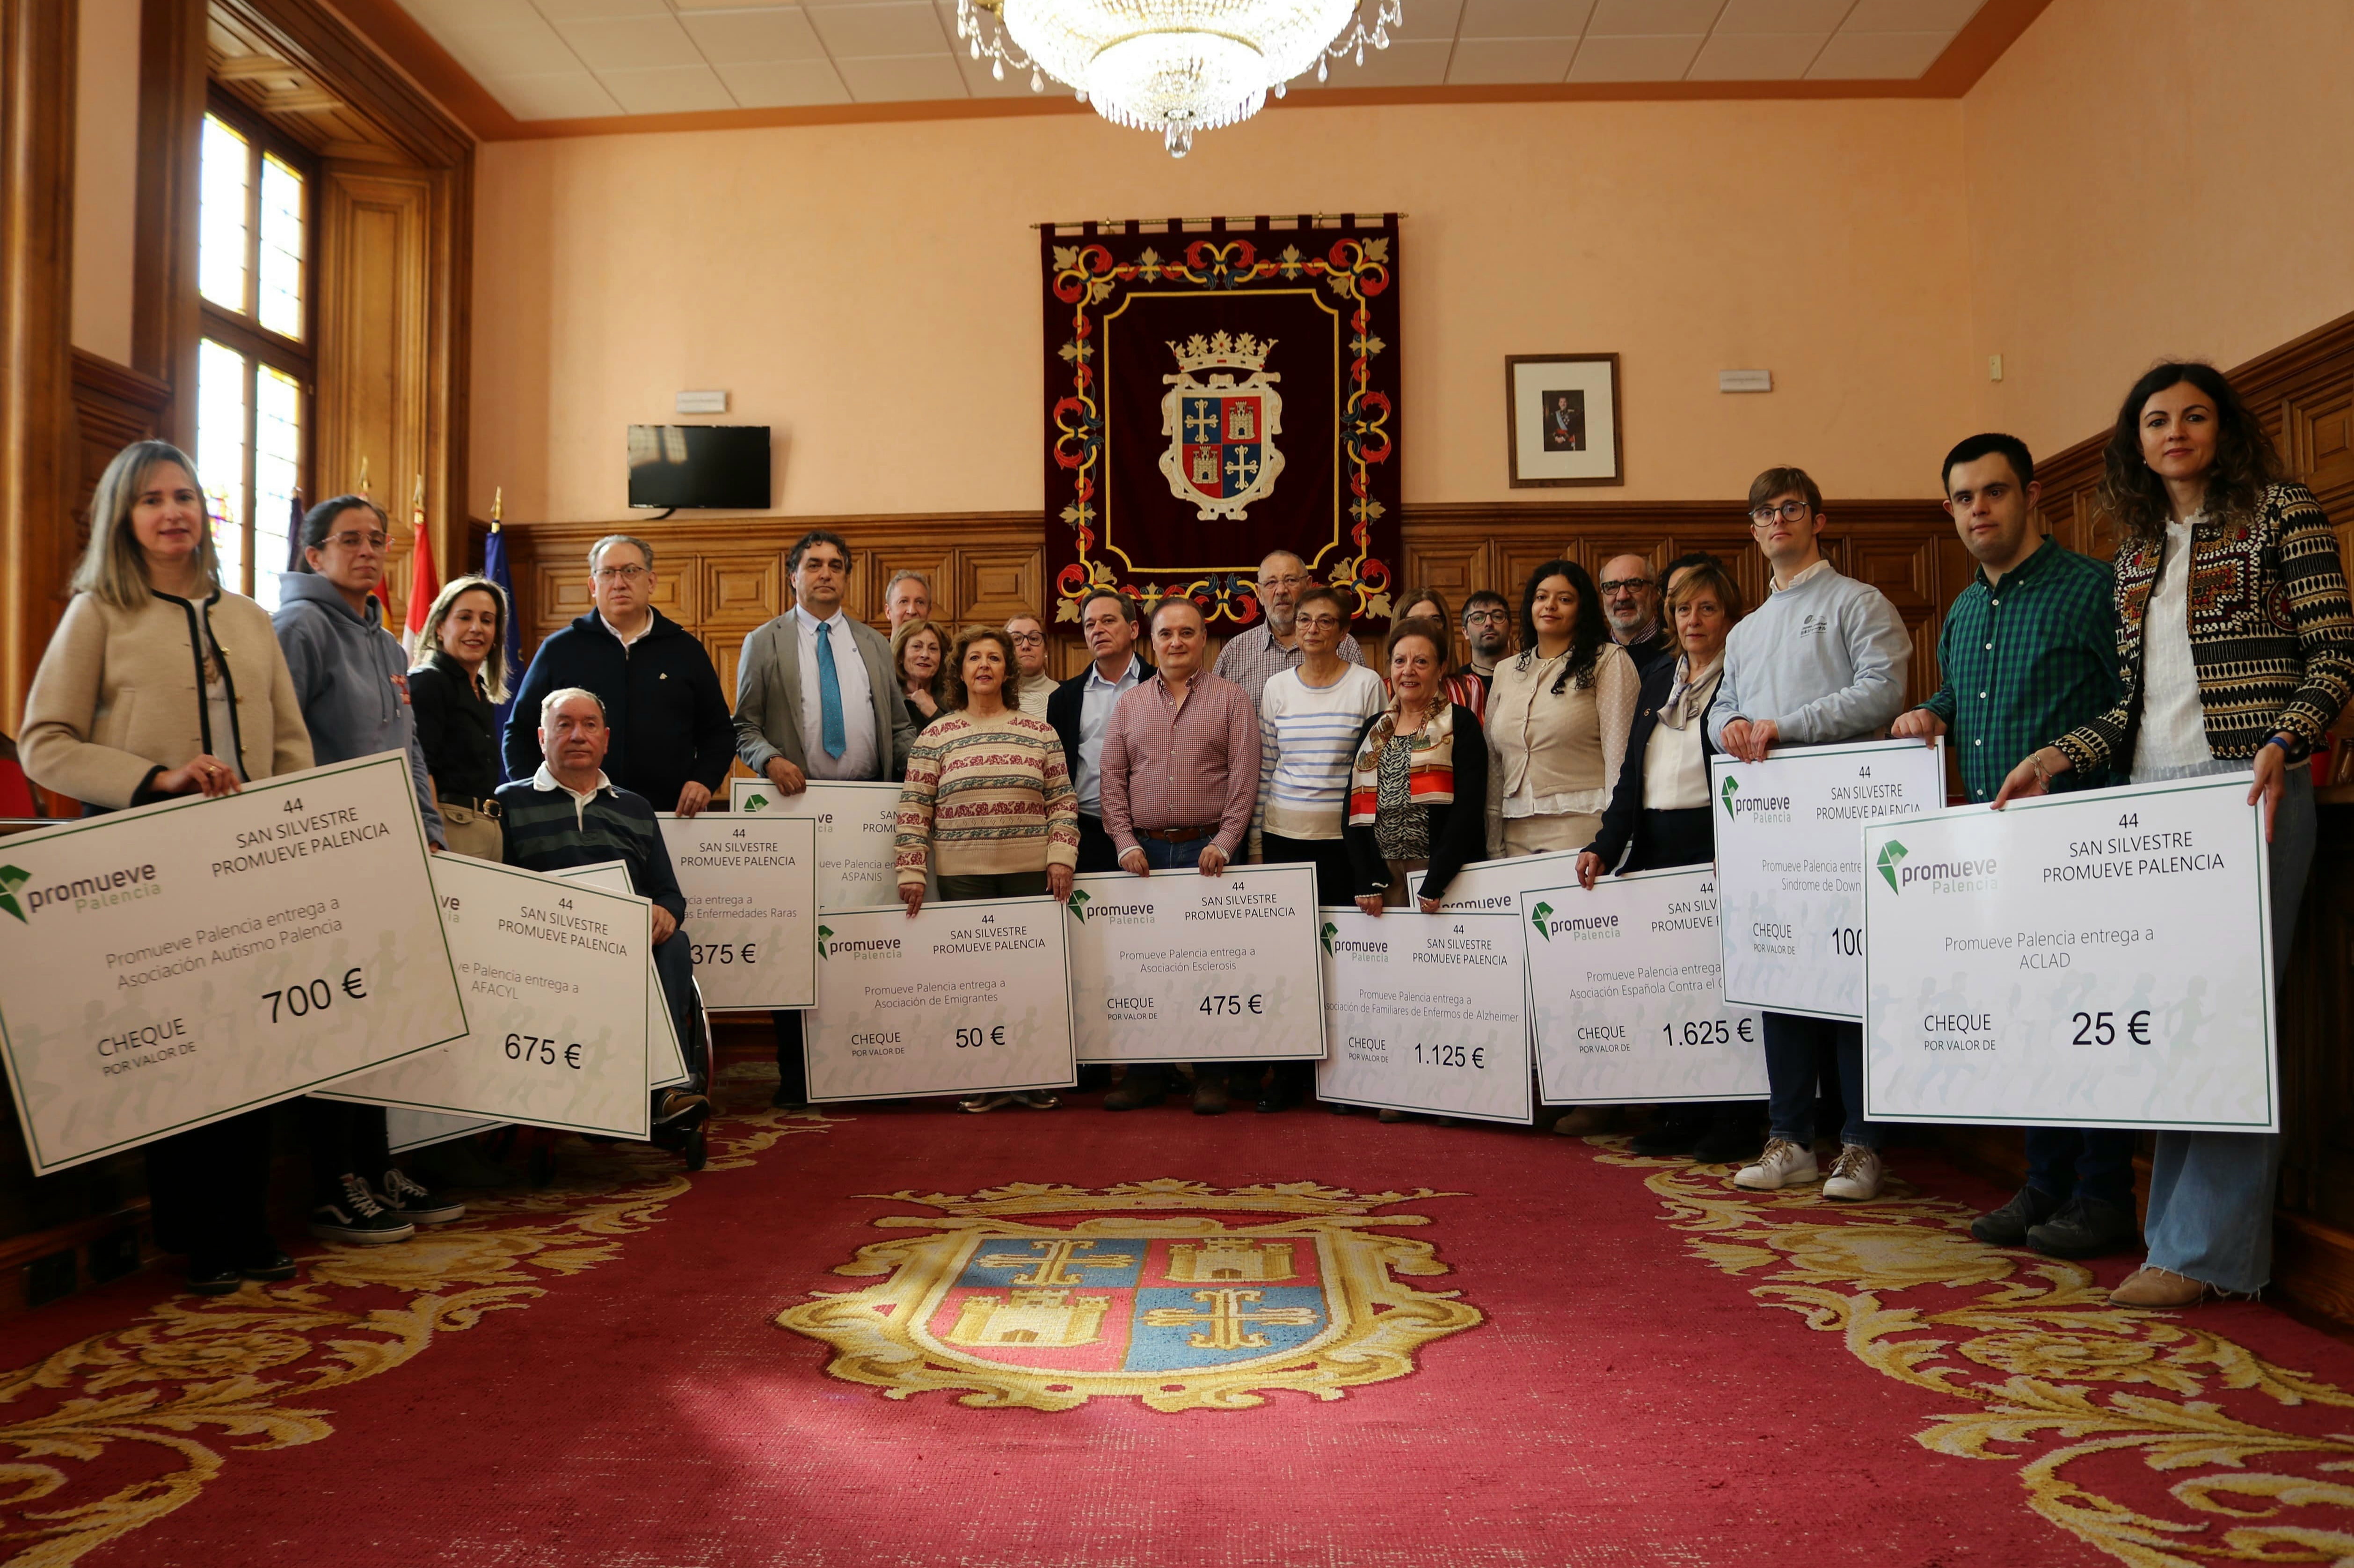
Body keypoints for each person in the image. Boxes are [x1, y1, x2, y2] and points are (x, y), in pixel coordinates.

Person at [1992, 364, 2353, 1307]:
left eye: (2193, 415)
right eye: (2156, 419)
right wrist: (2055, 756)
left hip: (2249, 789)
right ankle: (2173, 1236)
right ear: (2135, 441)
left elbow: (2335, 648)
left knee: (2232, 1024)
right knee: (2180, 1027)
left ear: (2221, 427)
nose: (2175, 431)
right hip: (2155, 800)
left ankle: (2204, 1253)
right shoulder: (2138, 547)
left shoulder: (2280, 510)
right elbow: (2130, 706)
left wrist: (2288, 736)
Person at [22, 440, 313, 1294]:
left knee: (254, 1041)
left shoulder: (251, 618)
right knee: (186, 1049)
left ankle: (250, 1223)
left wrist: (292, 827)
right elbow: (45, 744)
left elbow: (292, 744)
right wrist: (156, 779)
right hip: (151, 864)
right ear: (124, 515)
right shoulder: (97, 614)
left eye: (184, 495)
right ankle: (200, 1236)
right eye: (151, 499)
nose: (171, 511)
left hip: (255, 864)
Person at [1885, 435, 2128, 1257]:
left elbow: (2138, 702)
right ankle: (2046, 1181)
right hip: (1994, 852)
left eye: (1993, 492)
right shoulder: (1960, 610)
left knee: (2081, 1016)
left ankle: (2104, 1193)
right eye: (1962, 497)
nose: (1978, 509)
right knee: (2028, 1019)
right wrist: (1932, 712)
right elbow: (1961, 692)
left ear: (2031, 496)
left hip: (2082, 845)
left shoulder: (2092, 589)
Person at [1707, 466, 1912, 1201]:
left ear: (1817, 520)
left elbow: (1882, 691)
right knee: (1779, 970)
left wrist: (1783, 727)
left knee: (1848, 974)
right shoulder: (1746, 631)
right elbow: (1719, 708)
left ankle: (1860, 1144)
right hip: (1768, 824)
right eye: (1763, 512)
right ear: (1753, 529)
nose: (1777, 521)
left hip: (1841, 816)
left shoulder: (1857, 602)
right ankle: (1789, 1138)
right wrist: (1726, 724)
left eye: (1791, 508)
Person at [275, 494, 464, 1244]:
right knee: (336, 1020)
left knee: (379, 1018)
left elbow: (409, 751)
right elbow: (278, 744)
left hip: (390, 856)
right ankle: (335, 1183)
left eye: (377, 541)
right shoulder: (297, 629)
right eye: (348, 540)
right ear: (314, 554)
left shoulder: (388, 645)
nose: (366, 552)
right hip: (323, 862)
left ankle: (375, 1164)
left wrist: (430, 831)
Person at [1575, 561, 1761, 1164]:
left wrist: (1742, 847)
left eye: (1707, 609)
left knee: (1724, 992)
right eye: (1684, 610)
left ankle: (1736, 1119)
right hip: (1656, 843)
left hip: (1715, 844)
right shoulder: (1657, 676)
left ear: (1729, 617)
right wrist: (1605, 844)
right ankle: (1682, 1111)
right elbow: (1634, 772)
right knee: (1673, 990)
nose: (1694, 620)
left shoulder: (1748, 678)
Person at [734, 530, 918, 1108]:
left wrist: (927, 764)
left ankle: (875, 1066)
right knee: (798, 945)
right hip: (799, 813)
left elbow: (896, 729)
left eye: (836, 565)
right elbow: (744, 728)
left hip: (869, 811)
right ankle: (799, 1075)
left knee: (870, 942)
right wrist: (770, 760)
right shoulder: (764, 641)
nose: (826, 574)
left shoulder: (871, 643)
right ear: (793, 575)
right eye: (813, 565)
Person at [498, 688, 713, 1148]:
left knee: (674, 943)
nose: (578, 735)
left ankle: (666, 1087)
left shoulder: (634, 808)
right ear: (541, 737)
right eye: (564, 725)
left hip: (627, 954)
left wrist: (663, 913)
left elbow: (671, 895)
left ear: (606, 738)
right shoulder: (507, 804)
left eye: (590, 724)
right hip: (544, 960)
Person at [894, 625, 1079, 1113]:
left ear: (1007, 670)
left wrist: (1061, 856)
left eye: (994, 658)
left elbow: (1063, 802)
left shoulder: (1039, 732)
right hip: (963, 874)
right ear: (960, 670)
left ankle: (1033, 1074)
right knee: (975, 977)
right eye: (974, 657)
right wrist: (911, 870)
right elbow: (914, 807)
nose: (984, 666)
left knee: (1028, 977)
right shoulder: (937, 735)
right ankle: (983, 1077)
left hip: (1030, 871)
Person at [1097, 596, 1261, 1115]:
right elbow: (1111, 782)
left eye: (1187, 633)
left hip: (1205, 852)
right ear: (1151, 640)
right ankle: (1146, 1075)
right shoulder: (1129, 704)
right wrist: (1124, 841)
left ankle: (1211, 1077)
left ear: (1204, 639)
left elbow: (1245, 779)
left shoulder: (1233, 699)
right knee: (1144, 970)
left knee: (1209, 968)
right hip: (1142, 856)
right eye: (1166, 634)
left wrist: (1225, 842)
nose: (1176, 643)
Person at [502, 535, 734, 820]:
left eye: (631, 571)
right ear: (593, 586)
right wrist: (538, 798)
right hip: (575, 816)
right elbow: (519, 733)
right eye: (608, 573)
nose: (619, 582)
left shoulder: (685, 650)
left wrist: (704, 780)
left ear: (650, 582)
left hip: (669, 815)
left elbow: (719, 733)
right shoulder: (559, 650)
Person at [1485, 559, 1640, 862]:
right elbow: (1494, 766)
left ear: (1581, 609)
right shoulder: (1505, 671)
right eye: (1541, 597)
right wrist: (1493, 843)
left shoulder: (1608, 661)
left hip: (1584, 829)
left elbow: (1621, 760)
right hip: (1513, 831)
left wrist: (1613, 841)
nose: (1550, 606)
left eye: (1564, 599)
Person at [1255, 585, 1388, 898]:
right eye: (1304, 620)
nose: (1312, 629)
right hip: (1282, 835)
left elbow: (1376, 771)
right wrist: (1255, 846)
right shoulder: (1276, 687)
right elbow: (1266, 770)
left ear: (1344, 632)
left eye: (1325, 621)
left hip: (1345, 839)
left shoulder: (1366, 684)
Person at [408, 574, 511, 861]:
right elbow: (420, 765)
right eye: (465, 618)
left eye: (487, 620)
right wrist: (432, 834)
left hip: (488, 825)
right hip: (449, 827)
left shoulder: (479, 690)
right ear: (440, 627)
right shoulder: (428, 682)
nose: (477, 629)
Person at [1047, 588, 1149, 875]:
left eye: (1108, 621)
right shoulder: (1064, 697)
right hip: (1087, 831)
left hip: (1150, 833)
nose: (1098, 630)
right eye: (1090, 625)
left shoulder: (1160, 684)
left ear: (1133, 629)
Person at [1213, 549, 1365, 711]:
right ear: (1259, 592)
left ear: (1308, 585)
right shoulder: (1234, 653)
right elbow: (1214, 718)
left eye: (1291, 580)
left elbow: (1366, 710)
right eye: (1271, 583)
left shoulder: (1344, 645)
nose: (1281, 591)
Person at [1598, 554, 1678, 676]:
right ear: (1603, 596)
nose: (1622, 597)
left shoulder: (1676, 650)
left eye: (1634, 584)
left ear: (1654, 594)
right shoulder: (1593, 656)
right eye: (1612, 587)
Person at [1454, 590, 1511, 719]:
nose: (1489, 623)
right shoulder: (1457, 683)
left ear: (1510, 628)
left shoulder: (1527, 677)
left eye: (1497, 616)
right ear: (1465, 632)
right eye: (1478, 618)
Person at [894, 617, 950, 733]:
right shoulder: (888, 699)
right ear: (901, 656)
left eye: (933, 649)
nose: (925, 655)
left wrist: (934, 712)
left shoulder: (954, 699)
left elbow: (960, 745)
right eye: (917, 647)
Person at [1007, 613, 1057, 717]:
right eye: (1016, 639)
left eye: (1034, 638)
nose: (1026, 646)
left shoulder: (1066, 696)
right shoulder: (993, 699)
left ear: (1046, 650)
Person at [884, 569, 932, 634]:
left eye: (920, 603)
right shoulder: (875, 644)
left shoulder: (943, 644)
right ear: (888, 612)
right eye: (904, 602)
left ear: (929, 612)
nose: (912, 611)